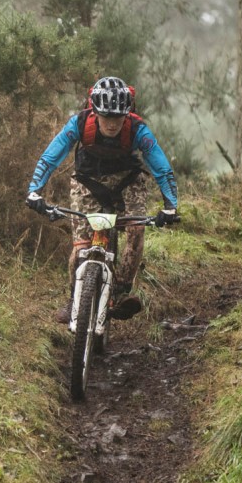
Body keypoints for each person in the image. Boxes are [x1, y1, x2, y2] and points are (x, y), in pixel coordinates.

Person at [25, 76, 179, 323]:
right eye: (106, 117)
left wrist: (170, 206)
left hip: (128, 180)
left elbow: (160, 166)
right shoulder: (79, 123)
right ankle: (74, 299)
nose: (112, 124)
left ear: (126, 115)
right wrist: (35, 191)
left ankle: (121, 291)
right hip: (88, 181)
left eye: (118, 118)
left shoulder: (138, 130)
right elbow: (51, 156)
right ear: (95, 112)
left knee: (136, 231)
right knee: (81, 249)